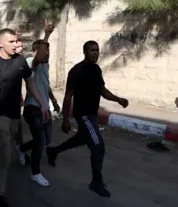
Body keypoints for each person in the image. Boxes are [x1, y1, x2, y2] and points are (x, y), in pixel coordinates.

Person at [46, 41, 129, 198]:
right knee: (98, 146)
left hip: (92, 114)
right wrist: (65, 119)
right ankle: (96, 182)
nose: (95, 53)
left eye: (97, 50)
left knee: (81, 139)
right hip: (83, 115)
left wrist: (118, 99)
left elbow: (102, 91)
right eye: (92, 50)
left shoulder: (96, 70)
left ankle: (53, 151)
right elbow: (68, 95)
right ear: (85, 52)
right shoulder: (76, 71)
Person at [0, 28, 46, 207]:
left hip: (14, 116)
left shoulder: (20, 61)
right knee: (4, 157)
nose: (15, 44)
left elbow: (30, 81)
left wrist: (42, 103)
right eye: (10, 41)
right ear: (0, 43)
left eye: (15, 40)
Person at [17, 39, 61, 187]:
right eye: (45, 51)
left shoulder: (46, 65)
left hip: (45, 108)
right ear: (36, 51)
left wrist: (54, 101)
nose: (47, 53)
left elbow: (46, 85)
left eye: (48, 51)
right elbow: (36, 60)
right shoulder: (30, 62)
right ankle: (35, 173)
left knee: (47, 139)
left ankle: (22, 148)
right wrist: (47, 35)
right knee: (41, 140)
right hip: (32, 108)